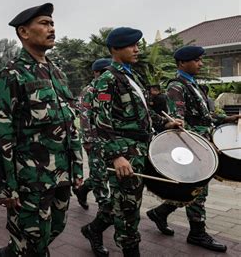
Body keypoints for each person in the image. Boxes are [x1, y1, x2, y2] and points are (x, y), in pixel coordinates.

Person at [0, 3, 84, 257]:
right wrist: (6, 186)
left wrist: (77, 167)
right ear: (24, 32)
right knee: (33, 240)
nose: (51, 28)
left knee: (55, 228)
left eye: (52, 23)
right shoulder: (12, 74)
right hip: (30, 179)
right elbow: (2, 134)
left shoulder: (57, 72)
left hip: (60, 174)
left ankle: (11, 253)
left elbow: (70, 123)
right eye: (44, 23)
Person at [90, 27, 183, 256]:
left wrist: (165, 125)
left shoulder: (132, 77)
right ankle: (130, 250)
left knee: (124, 203)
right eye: (132, 45)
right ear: (115, 49)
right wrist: (116, 156)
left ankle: (93, 229)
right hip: (124, 154)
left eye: (137, 45)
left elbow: (142, 116)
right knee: (128, 210)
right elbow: (101, 122)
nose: (137, 49)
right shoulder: (107, 79)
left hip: (141, 148)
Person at [146, 45, 240, 253]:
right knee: (198, 190)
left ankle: (160, 213)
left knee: (192, 190)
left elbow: (205, 116)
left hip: (203, 145)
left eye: (200, 60)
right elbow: (178, 123)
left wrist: (227, 119)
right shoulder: (176, 87)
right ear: (182, 63)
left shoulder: (193, 85)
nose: (201, 63)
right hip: (194, 147)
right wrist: (200, 142)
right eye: (196, 60)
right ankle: (197, 232)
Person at [74, 58, 114, 256]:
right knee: (100, 176)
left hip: (111, 143)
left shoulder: (108, 89)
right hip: (96, 142)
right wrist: (88, 140)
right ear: (97, 73)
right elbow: (84, 116)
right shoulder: (89, 91)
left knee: (101, 174)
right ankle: (101, 215)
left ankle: (82, 190)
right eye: (104, 71)